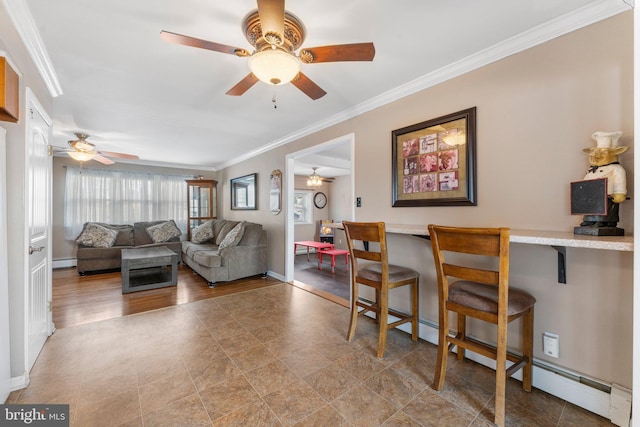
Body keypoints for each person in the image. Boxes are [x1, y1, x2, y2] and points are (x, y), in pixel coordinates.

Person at [580, 131, 628, 228]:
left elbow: (619, 181)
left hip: (608, 195)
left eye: (603, 152)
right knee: (590, 208)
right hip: (591, 195)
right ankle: (589, 220)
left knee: (606, 208)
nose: (595, 155)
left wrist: (620, 192)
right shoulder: (591, 169)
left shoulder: (616, 169)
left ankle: (604, 221)